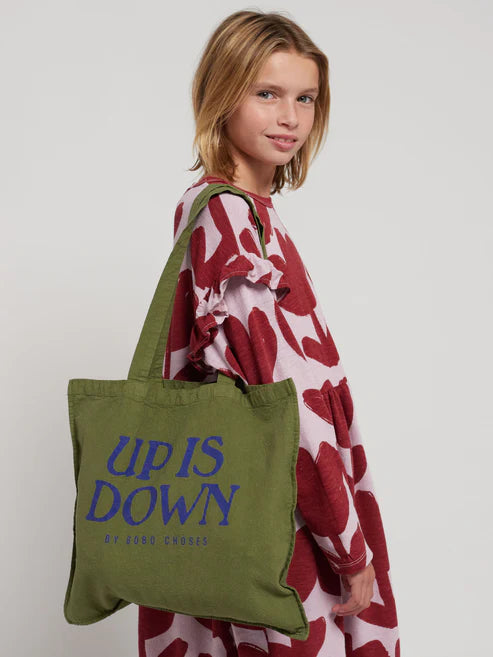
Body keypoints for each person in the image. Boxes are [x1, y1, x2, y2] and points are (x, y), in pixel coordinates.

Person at [138, 9, 399, 657]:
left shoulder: (239, 211)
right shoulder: (229, 217)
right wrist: (348, 547)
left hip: (251, 514)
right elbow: (287, 406)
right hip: (284, 523)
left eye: (305, 98)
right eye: (267, 93)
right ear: (222, 95)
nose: (290, 118)